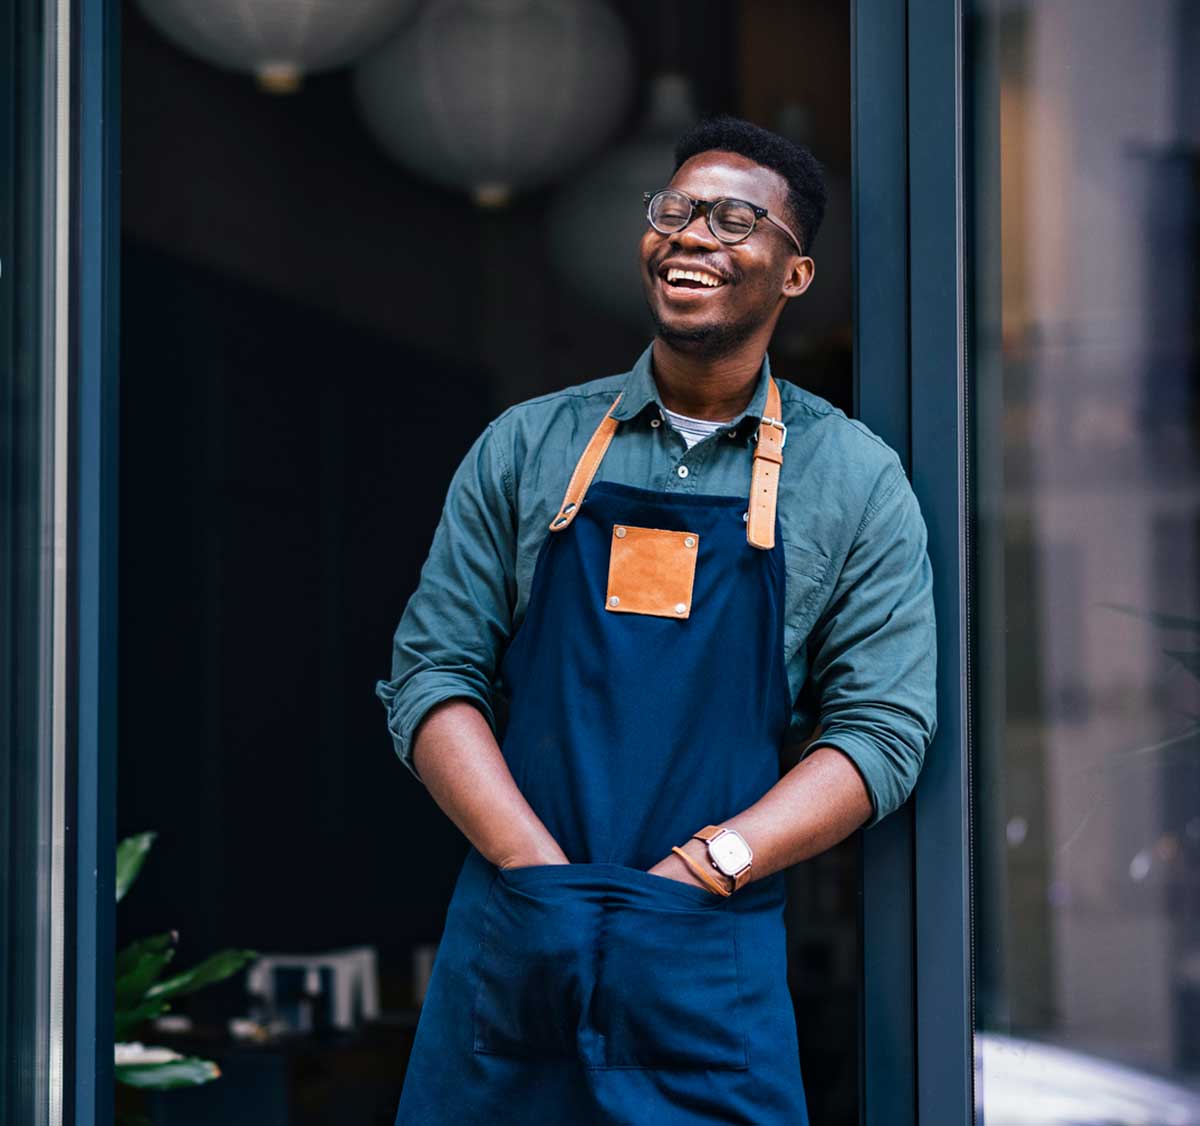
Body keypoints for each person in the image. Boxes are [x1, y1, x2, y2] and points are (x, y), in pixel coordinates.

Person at [375, 115, 937, 1125]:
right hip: (521, 940)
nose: (690, 236)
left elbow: (882, 734)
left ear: (794, 274)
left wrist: (708, 865)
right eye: (674, 210)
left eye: (733, 219)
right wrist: (533, 871)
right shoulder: (525, 445)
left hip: (701, 956)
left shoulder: (853, 478)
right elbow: (431, 676)